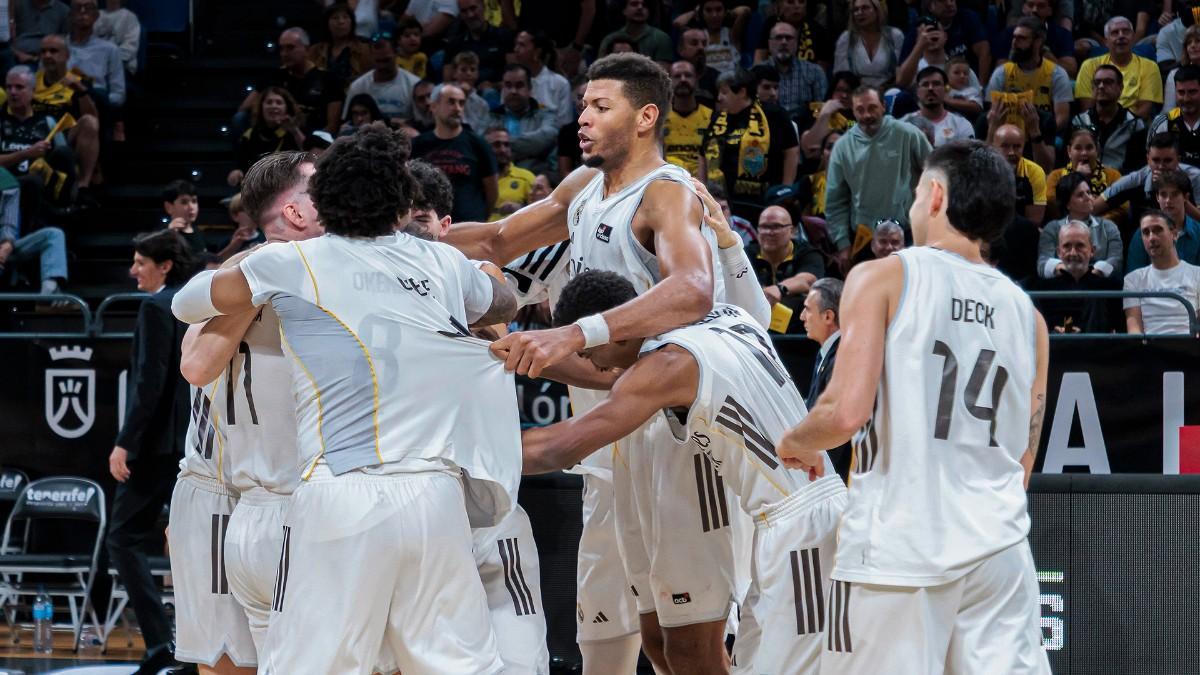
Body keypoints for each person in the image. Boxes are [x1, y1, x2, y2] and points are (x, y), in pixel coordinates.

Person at [444, 52, 770, 675]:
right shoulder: (584, 190)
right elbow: (496, 240)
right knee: (654, 638)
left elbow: (695, 289)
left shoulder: (668, 193)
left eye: (600, 107)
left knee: (694, 646)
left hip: (679, 431)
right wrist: (394, 235)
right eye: (582, 107)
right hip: (618, 434)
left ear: (646, 116)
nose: (582, 120)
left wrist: (572, 334)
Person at [171, 125, 519, 674]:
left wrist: (256, 261)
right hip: (435, 496)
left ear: (327, 198)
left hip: (340, 492)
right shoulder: (443, 264)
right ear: (403, 204)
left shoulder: (291, 264)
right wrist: (477, 270)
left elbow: (186, 304)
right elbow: (503, 300)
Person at [778, 139, 1051, 674]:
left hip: (900, 546)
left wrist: (792, 441)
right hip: (1000, 550)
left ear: (934, 195)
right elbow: (1024, 457)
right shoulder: (1029, 315)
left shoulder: (883, 276)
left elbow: (844, 412)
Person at [521, 268, 847, 675]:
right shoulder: (725, 314)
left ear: (616, 333)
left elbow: (561, 445)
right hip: (791, 515)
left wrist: (460, 450)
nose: (593, 366)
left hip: (800, 525)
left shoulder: (668, 365)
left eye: (590, 353)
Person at [396, 156, 553, 675]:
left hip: (488, 504)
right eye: (402, 217)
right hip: (414, 503)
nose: (412, 228)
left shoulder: (477, 277)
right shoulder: (373, 287)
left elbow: (503, 337)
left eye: (423, 218)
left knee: (520, 658)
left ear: (446, 226)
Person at [108, 229, 197, 674]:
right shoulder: (196, 304)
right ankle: (194, 649)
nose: (133, 270)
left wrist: (126, 442)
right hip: (194, 446)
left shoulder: (156, 307)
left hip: (158, 447)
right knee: (190, 547)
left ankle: (161, 643)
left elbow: (149, 383)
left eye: (141, 262)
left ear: (164, 266)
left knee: (122, 539)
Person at [824, 84, 931, 271]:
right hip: (864, 237)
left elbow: (935, 175)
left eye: (872, 107)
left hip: (908, 232)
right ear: (853, 111)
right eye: (860, 110)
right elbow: (835, 200)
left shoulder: (908, 134)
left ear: (883, 106)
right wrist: (843, 245)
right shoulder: (842, 147)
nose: (867, 115)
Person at [699, 68, 799, 220]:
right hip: (725, 202)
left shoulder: (774, 114)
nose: (719, 98)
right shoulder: (717, 119)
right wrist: (702, 191)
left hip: (763, 201)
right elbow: (703, 154)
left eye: (725, 92)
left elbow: (791, 151)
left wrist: (785, 190)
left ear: (742, 92)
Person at [413, 83, 498, 222]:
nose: (457, 108)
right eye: (451, 102)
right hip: (429, 229)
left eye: (461, 103)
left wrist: (480, 216)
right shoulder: (417, 145)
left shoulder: (478, 144)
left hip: (470, 226)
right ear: (434, 106)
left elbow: (492, 191)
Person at [239, 28, 343, 135]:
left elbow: (332, 126)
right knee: (240, 118)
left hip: (313, 138)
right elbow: (244, 108)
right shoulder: (275, 76)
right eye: (281, 49)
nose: (284, 54)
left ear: (307, 49)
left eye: (290, 48)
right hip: (276, 137)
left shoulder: (328, 79)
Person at [1094, 133, 1200, 237]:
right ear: (1148, 159)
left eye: (1167, 161)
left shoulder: (1195, 177)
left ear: (1178, 160)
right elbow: (1093, 207)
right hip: (1143, 241)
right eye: (1156, 160)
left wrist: (1179, 197)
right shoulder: (1134, 181)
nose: (1161, 167)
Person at [30, 35, 100, 192]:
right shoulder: (31, 81)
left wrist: (81, 91)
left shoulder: (79, 79)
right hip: (34, 133)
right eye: (43, 52)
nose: (47, 56)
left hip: (65, 136)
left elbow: (94, 119)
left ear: (67, 55)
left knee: (90, 122)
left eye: (53, 51)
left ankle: (83, 185)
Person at [1028, 220, 1123, 334]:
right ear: (1059, 252)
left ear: (1092, 250)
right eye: (1067, 246)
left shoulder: (1111, 287)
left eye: (1080, 246)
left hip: (1097, 348)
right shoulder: (1042, 289)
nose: (1073, 253)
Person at [799, 276, 851, 482]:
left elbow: (836, 427)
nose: (802, 317)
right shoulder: (828, 352)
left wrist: (819, 480)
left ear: (828, 316)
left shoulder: (842, 357)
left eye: (808, 309)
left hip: (840, 481)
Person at [746, 204, 824, 333]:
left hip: (798, 331)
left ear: (792, 231)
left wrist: (780, 289)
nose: (769, 232)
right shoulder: (746, 254)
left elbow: (808, 281)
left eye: (776, 226)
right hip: (753, 327)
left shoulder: (807, 253)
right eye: (764, 227)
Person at [986, 17, 1072, 132]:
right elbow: (992, 114)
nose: (1014, 43)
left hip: (1043, 134)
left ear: (1038, 42)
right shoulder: (1001, 73)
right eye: (1014, 37)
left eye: (1022, 38)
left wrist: (1042, 135)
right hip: (1009, 135)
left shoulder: (1057, 74)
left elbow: (1062, 118)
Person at [1123, 210, 1200, 335]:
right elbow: (1134, 328)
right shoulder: (1132, 279)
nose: (1152, 237)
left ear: (1174, 234)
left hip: (1190, 348)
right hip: (1150, 349)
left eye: (1158, 230)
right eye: (1146, 233)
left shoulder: (1197, 274)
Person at [1074, 17, 1162, 120]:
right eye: (1115, 33)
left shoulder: (1150, 66)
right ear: (1106, 41)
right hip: (1098, 125)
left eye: (1126, 31)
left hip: (1133, 126)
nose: (1121, 36)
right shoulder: (1089, 66)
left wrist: (1120, 128)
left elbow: (1144, 110)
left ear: (1133, 38)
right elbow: (1087, 109)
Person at [1039, 171, 1122, 279]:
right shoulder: (1052, 228)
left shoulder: (1109, 227)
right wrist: (1069, 270)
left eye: (1089, 192)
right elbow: (1042, 264)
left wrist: (1088, 273)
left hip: (1098, 283)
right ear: (1067, 204)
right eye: (1080, 195)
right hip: (1062, 283)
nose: (1088, 198)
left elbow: (1116, 261)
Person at [1069, 65, 1146, 174]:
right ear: (1092, 88)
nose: (1101, 86)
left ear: (1120, 88)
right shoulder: (1078, 122)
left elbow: (1137, 168)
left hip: (1121, 184)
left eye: (1108, 82)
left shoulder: (1134, 125)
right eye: (1097, 82)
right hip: (1083, 182)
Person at [488, 64, 560, 175]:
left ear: (530, 88)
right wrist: (530, 151)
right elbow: (482, 144)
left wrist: (500, 145)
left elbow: (546, 138)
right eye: (508, 85)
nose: (513, 91)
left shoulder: (547, 115)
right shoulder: (490, 116)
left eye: (519, 85)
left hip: (536, 179)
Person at [227, 87, 305, 187]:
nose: (273, 106)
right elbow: (241, 166)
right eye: (269, 102)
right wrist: (236, 173)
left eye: (279, 103)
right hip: (258, 189)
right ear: (261, 107)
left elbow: (308, 154)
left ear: (287, 108)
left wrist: (294, 131)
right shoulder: (250, 135)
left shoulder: (296, 132)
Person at [1126, 169, 1200, 271]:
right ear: (1157, 197)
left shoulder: (1198, 232)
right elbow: (1134, 276)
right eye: (1163, 195)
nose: (1168, 200)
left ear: (1185, 197)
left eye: (1174, 194)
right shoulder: (1142, 233)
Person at [898, 0, 991, 82]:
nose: (950, 3)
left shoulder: (967, 18)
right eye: (942, 1)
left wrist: (981, 86)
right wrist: (919, 45)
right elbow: (900, 80)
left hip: (964, 80)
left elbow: (984, 52)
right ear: (930, 6)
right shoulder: (919, 30)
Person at [342, 30, 422, 122]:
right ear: (371, 56)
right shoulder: (358, 87)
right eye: (378, 61)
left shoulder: (414, 84)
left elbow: (421, 124)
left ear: (397, 54)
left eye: (386, 60)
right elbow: (347, 124)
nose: (382, 66)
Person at [1045, 127, 1123, 221]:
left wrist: (1095, 223)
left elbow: (1123, 208)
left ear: (1097, 149)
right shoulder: (1055, 176)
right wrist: (1077, 177)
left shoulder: (1113, 175)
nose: (1084, 153)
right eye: (1078, 148)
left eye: (1089, 148)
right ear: (1069, 151)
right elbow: (1053, 204)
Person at [758, 20, 826, 119]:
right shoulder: (757, 73)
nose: (784, 42)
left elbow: (822, 111)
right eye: (778, 37)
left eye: (788, 38)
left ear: (796, 43)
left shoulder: (815, 72)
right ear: (770, 44)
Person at [992, 0, 1077, 77]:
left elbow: (1071, 71)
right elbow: (1000, 71)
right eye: (1030, 5)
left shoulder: (1062, 34)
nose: (1034, 10)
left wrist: (1048, 58)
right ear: (1023, 8)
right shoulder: (1009, 33)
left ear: (1050, 11)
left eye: (1041, 6)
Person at [442, 0, 515, 86]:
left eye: (473, 8)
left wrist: (493, 86)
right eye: (464, 11)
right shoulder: (454, 44)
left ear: (484, 7)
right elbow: (448, 83)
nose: (470, 15)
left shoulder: (505, 36)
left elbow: (514, 77)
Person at [834, 0, 903, 89]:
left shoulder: (894, 35)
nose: (859, 13)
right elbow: (841, 75)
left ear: (877, 10)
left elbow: (903, 72)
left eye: (865, 8)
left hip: (889, 91)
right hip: (856, 93)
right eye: (856, 10)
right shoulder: (846, 38)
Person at [901, 66, 974, 147]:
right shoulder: (904, 124)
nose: (930, 88)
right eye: (925, 84)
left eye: (936, 84)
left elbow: (968, 157)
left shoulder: (961, 124)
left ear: (946, 90)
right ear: (917, 91)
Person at [664, 60, 714, 177]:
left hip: (702, 184)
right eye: (677, 76)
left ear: (696, 80)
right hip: (669, 183)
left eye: (688, 75)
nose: (683, 80)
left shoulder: (712, 117)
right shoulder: (659, 118)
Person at [512, 30, 573, 127]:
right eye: (516, 44)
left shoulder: (560, 83)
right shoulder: (510, 81)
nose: (516, 49)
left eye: (522, 45)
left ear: (537, 52)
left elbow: (565, 123)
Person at [993, 123, 1047, 225]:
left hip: (1022, 230)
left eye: (1017, 146)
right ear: (994, 147)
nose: (1011, 152)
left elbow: (1035, 219)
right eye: (1005, 146)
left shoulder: (1035, 172)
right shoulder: (984, 170)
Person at [308, 2, 371, 85]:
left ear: (352, 22)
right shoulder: (315, 51)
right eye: (335, 18)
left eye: (345, 17)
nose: (341, 22)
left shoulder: (365, 50)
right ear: (327, 23)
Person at [1149, 65, 1200, 168]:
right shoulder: (1163, 122)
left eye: (1192, 92)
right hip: (1171, 181)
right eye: (1181, 93)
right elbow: (1153, 164)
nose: (1186, 99)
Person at [598, 0, 673, 64]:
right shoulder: (609, 39)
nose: (640, 7)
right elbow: (600, 69)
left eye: (644, 5)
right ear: (624, 10)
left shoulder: (661, 38)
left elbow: (662, 73)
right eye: (634, 4)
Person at [485, 126, 534, 220]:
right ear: (485, 148)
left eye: (506, 145)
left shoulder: (527, 177)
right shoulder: (476, 178)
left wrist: (521, 209)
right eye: (496, 145)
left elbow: (540, 212)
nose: (503, 150)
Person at [11, 0, 68, 64]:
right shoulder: (19, 5)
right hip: (16, 57)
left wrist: (35, 58)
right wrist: (18, 53)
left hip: (48, 60)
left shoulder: (63, 10)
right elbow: (8, 37)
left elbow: (65, 43)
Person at [94, 0, 141, 76]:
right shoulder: (95, 16)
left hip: (121, 67)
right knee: (73, 76)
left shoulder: (130, 17)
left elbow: (129, 49)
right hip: (95, 64)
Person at [161, 179, 207, 256]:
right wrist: (169, 236)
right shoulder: (161, 235)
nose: (191, 207)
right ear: (169, 207)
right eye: (184, 202)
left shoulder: (198, 232)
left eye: (194, 201)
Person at [1163, 24, 1200, 111]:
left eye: (1198, 41)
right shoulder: (1174, 74)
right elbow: (1169, 110)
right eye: (1189, 43)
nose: (1192, 46)